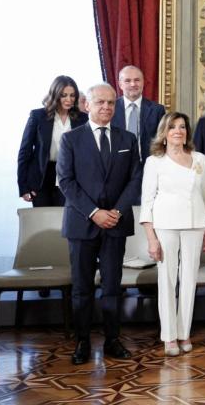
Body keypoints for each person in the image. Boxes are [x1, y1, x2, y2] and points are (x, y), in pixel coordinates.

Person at [57, 83, 143, 365]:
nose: (106, 107)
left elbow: (135, 179)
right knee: (82, 288)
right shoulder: (71, 139)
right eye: (100, 103)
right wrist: (94, 212)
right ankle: (82, 342)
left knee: (111, 287)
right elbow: (66, 183)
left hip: (116, 223)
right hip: (82, 224)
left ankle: (112, 339)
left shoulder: (128, 139)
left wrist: (115, 211)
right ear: (87, 105)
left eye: (111, 103)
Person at [139, 112, 205, 356]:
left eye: (182, 127)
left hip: (195, 223)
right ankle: (169, 336)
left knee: (189, 280)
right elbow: (147, 201)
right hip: (165, 224)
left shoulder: (199, 158)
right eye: (173, 127)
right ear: (164, 132)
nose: (178, 131)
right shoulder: (155, 161)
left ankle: (184, 333)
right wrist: (151, 237)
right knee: (168, 279)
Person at [18, 75, 88, 207]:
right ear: (55, 95)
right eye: (64, 95)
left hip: (69, 175)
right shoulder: (38, 116)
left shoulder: (83, 119)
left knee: (65, 220)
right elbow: (24, 152)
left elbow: (87, 153)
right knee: (44, 221)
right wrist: (23, 187)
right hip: (42, 177)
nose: (69, 99)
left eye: (72, 95)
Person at [112, 65, 166, 162]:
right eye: (127, 81)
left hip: (148, 165)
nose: (133, 84)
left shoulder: (157, 110)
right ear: (120, 84)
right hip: (117, 167)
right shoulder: (111, 109)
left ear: (143, 82)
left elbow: (162, 141)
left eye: (137, 80)